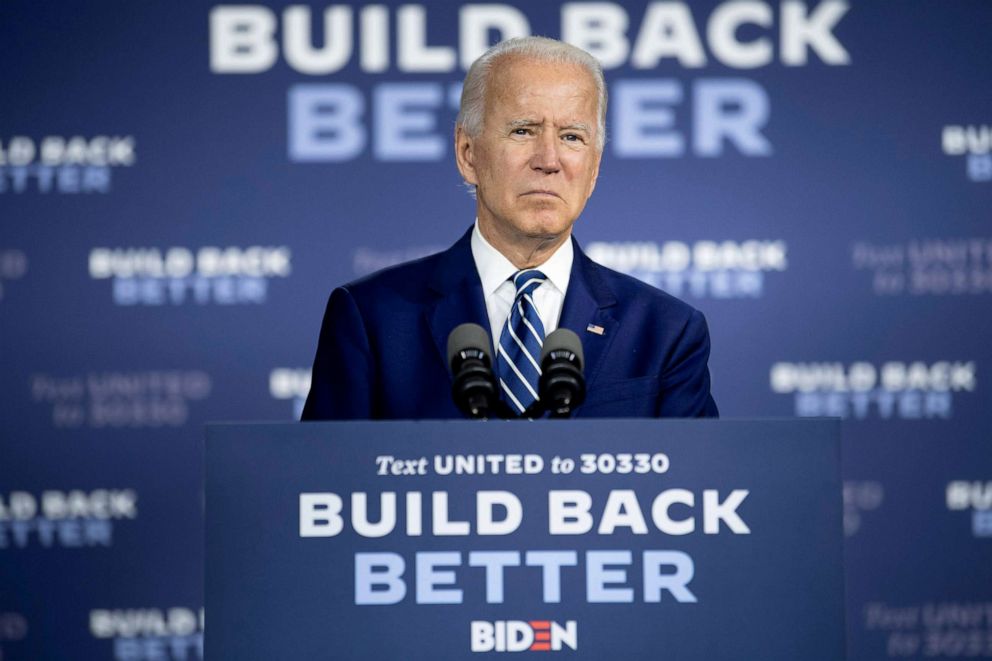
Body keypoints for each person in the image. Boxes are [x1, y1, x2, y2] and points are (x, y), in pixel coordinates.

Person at [302, 36, 718, 420]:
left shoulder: (666, 331)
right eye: (523, 131)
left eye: (573, 137)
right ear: (468, 154)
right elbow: (327, 486)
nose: (549, 160)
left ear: (593, 169)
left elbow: (695, 487)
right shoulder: (372, 318)